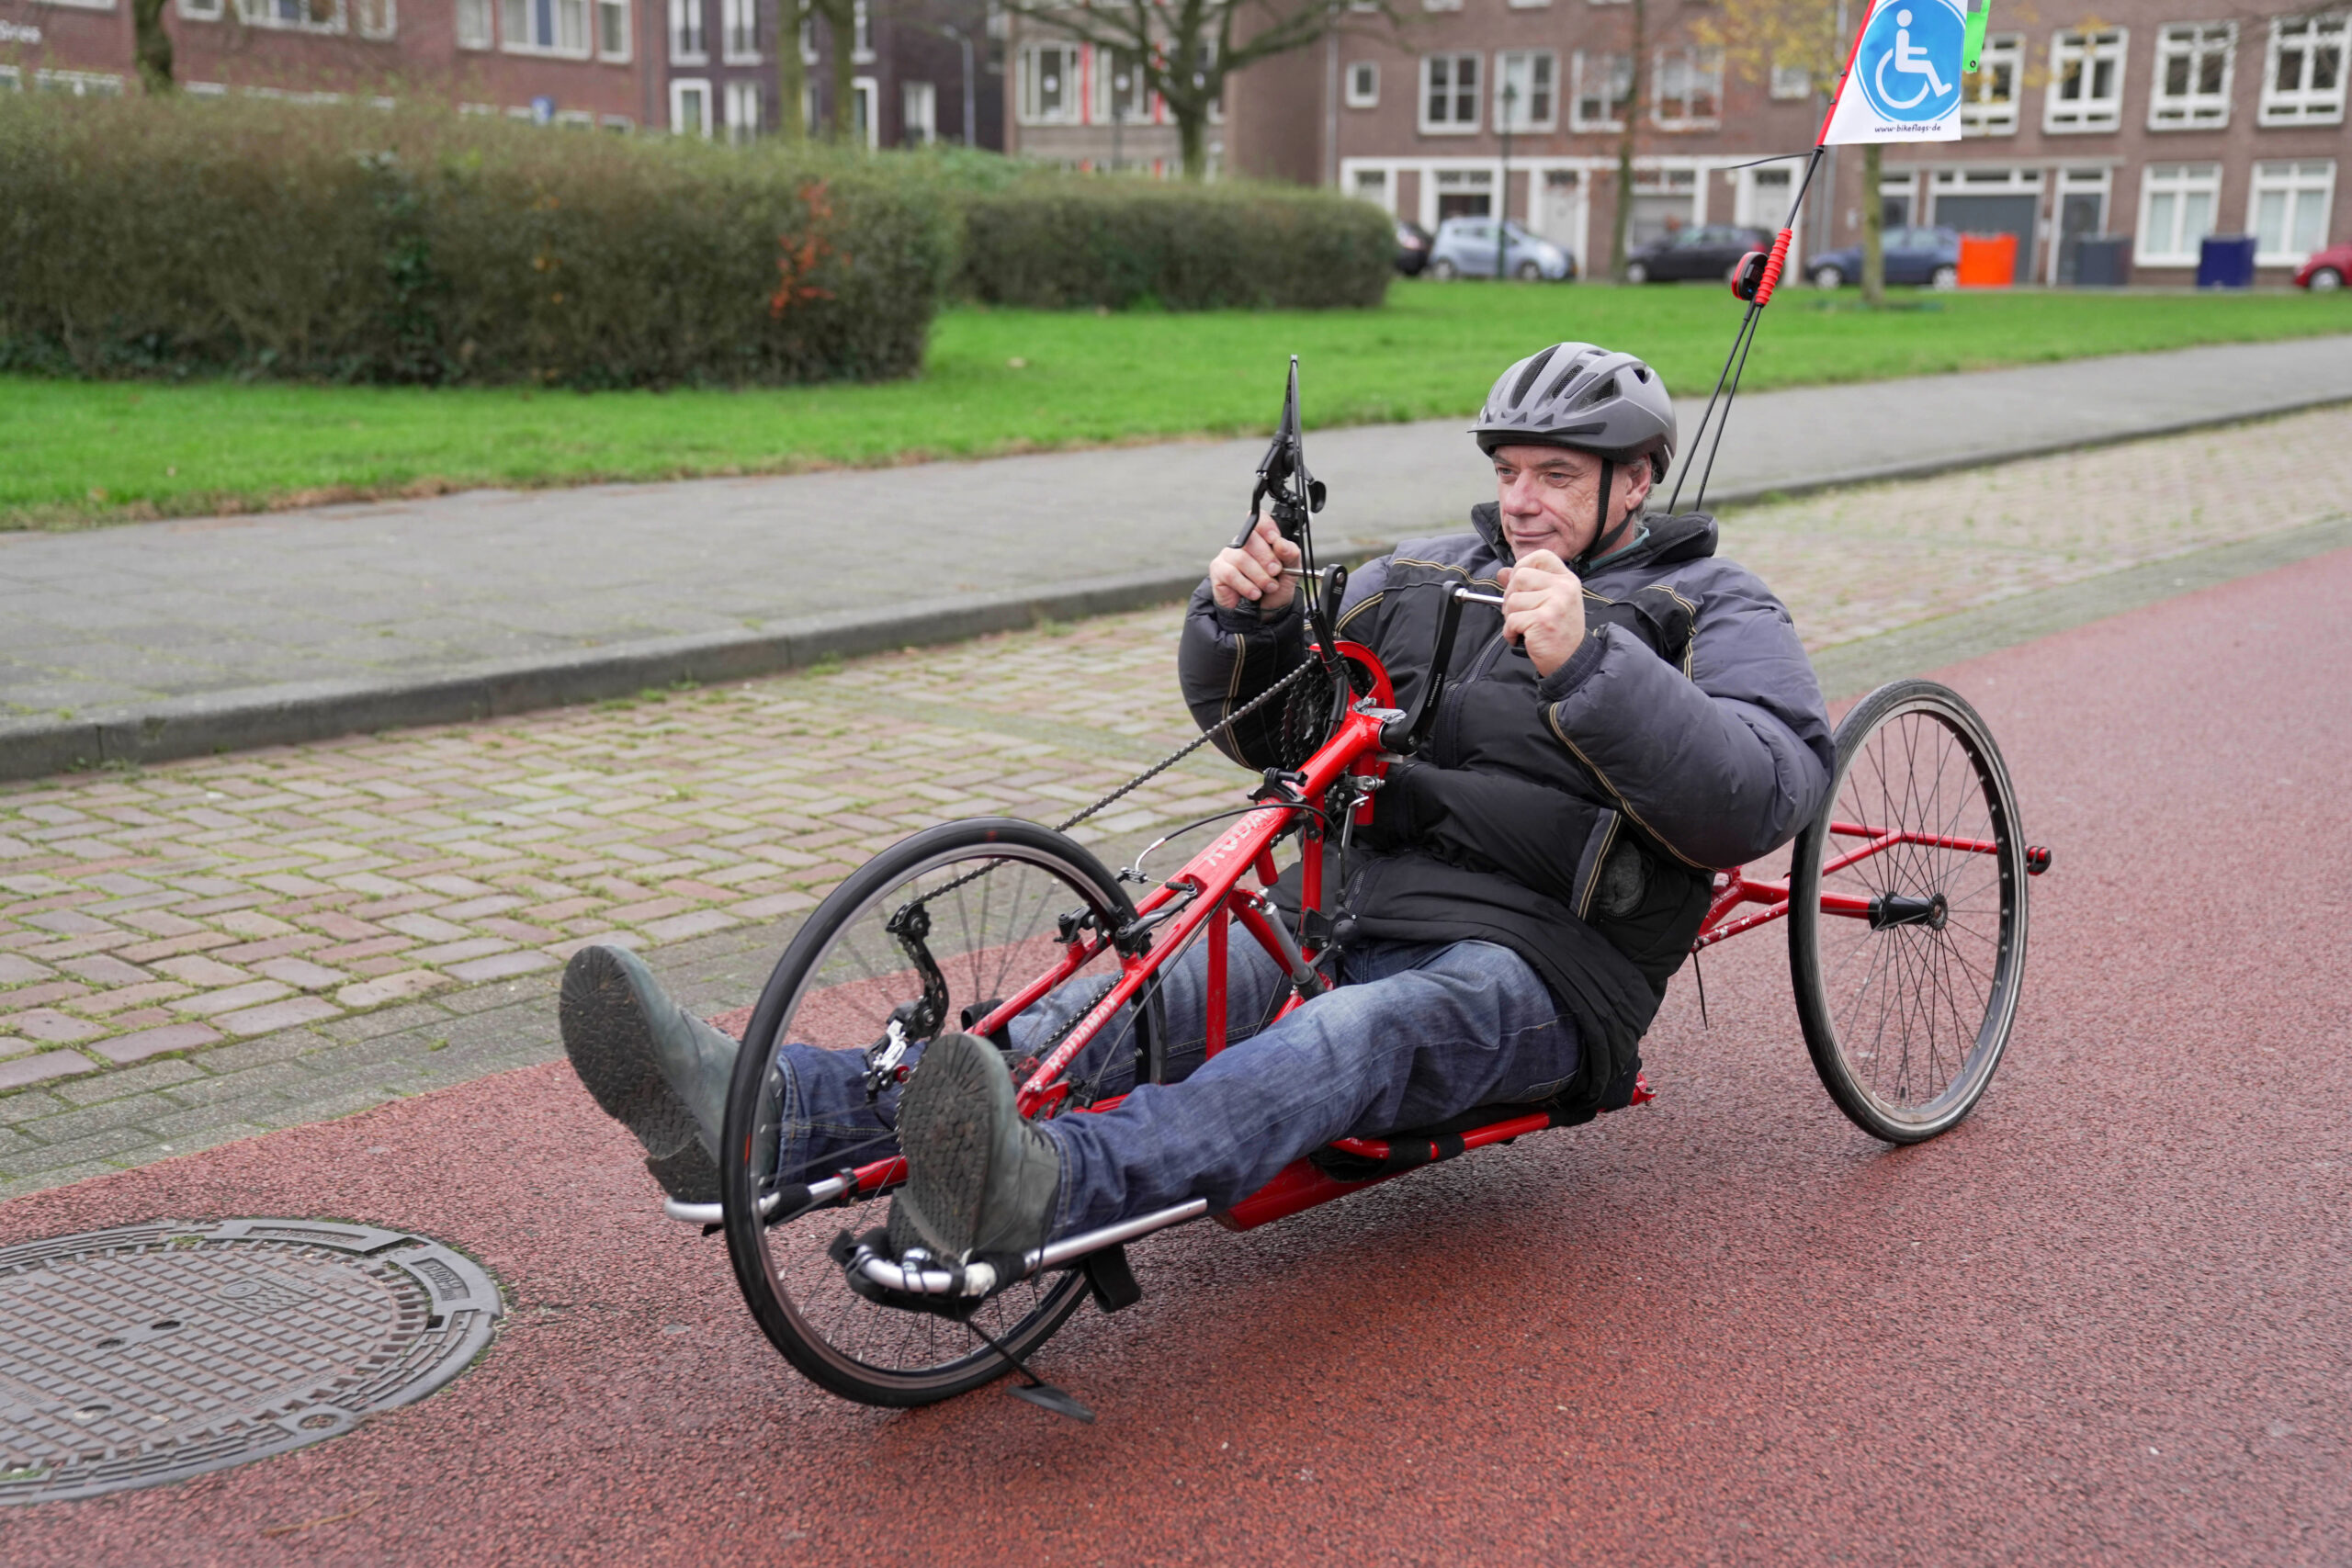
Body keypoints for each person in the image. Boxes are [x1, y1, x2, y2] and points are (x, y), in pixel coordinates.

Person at [559, 342, 1835, 1272]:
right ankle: (765, 1109)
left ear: (1638, 481)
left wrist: (1592, 666)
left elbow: (1764, 789)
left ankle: (1039, 1189)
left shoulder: (1710, 610)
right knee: (1123, 995)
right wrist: (1248, 621)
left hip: (1542, 969)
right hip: (1336, 910)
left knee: (1349, 1042)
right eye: (1510, 471)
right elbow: (1271, 730)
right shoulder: (1429, 574)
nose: (1520, 501)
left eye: (1558, 474)